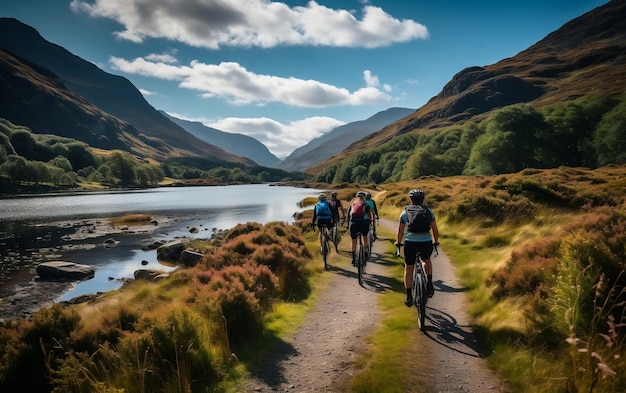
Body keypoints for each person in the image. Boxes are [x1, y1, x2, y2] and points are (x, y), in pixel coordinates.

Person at [396, 189, 439, 306]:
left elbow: (400, 231)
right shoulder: (428, 211)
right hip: (426, 242)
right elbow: (435, 229)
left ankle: (409, 296)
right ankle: (429, 283)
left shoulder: (405, 212)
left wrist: (398, 242)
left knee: (409, 268)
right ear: (423, 200)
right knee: (426, 261)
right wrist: (436, 241)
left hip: (410, 243)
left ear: (410, 200)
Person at [346, 191, 374, 266]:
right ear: (364, 197)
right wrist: (370, 222)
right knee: (365, 237)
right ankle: (365, 252)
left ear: (356, 197)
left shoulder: (353, 204)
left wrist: (348, 224)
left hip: (354, 223)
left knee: (354, 241)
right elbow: (369, 216)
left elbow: (349, 215)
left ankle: (353, 258)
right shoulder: (366, 204)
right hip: (363, 223)